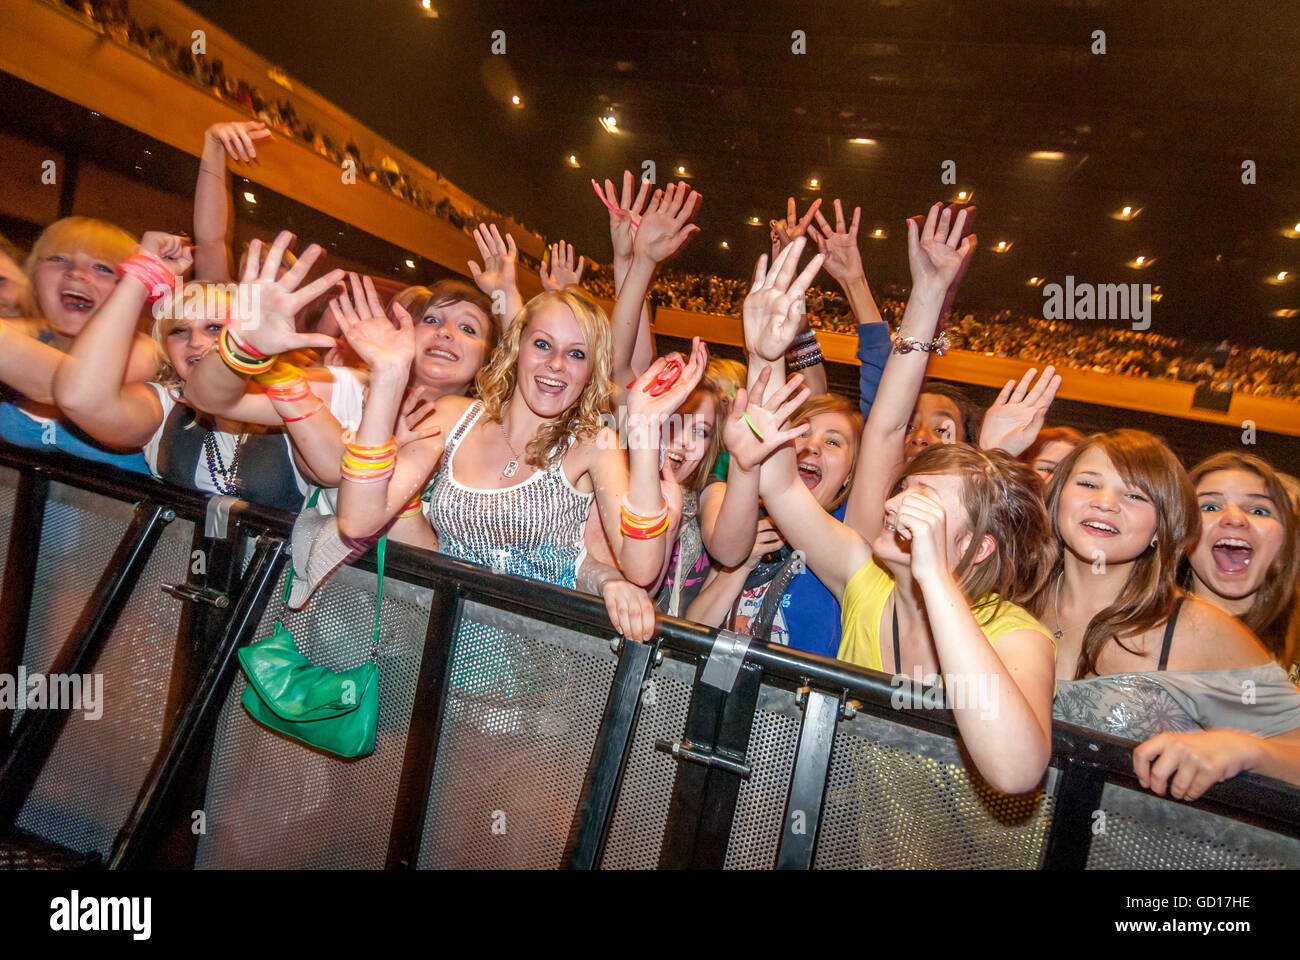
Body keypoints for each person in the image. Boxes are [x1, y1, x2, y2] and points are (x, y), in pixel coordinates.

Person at [727, 210, 1057, 796]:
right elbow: (782, 482)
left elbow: (1016, 771)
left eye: (925, 502)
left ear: (978, 546)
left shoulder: (1016, 635)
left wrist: (933, 575)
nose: (897, 503)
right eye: (906, 490)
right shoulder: (863, 579)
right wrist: (764, 357)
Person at [330, 260, 703, 639]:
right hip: (433, 649)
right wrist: (389, 377)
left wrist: (643, 433)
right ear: (516, 346)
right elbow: (358, 522)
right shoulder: (450, 417)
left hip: (534, 677)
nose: (556, 364)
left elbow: (641, 570)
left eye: (577, 354)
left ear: (592, 369)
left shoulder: (592, 443)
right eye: (543, 344)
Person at [1037, 430, 1300, 801]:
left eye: (1135, 495)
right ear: (1057, 497)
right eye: (1088, 483)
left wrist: (1246, 749)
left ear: (1162, 527)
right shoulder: (1012, 594)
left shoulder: (1198, 628)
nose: (1106, 503)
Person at [52, 231, 343, 509]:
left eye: (215, 328)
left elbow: (333, 471)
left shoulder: (292, 398)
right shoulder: (164, 406)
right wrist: (141, 275)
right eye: (179, 331)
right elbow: (80, 398)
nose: (196, 342)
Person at [0, 217, 159, 471]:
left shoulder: (146, 353)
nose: (76, 273)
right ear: (34, 278)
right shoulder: (33, 335)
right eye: (59, 259)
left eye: (103, 268)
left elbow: (74, 386)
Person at [1180, 451, 1298, 660]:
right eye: (1210, 506)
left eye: (1259, 511)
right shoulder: (1138, 636)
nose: (1234, 518)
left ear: (1286, 537)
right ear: (1180, 529)